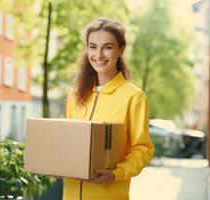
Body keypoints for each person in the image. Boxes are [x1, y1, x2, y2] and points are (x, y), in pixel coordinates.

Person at [64, 18, 154, 200]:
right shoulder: (75, 95)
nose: (99, 54)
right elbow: (69, 143)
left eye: (107, 47)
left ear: (121, 50)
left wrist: (116, 174)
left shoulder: (133, 97)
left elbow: (142, 149)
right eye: (92, 46)